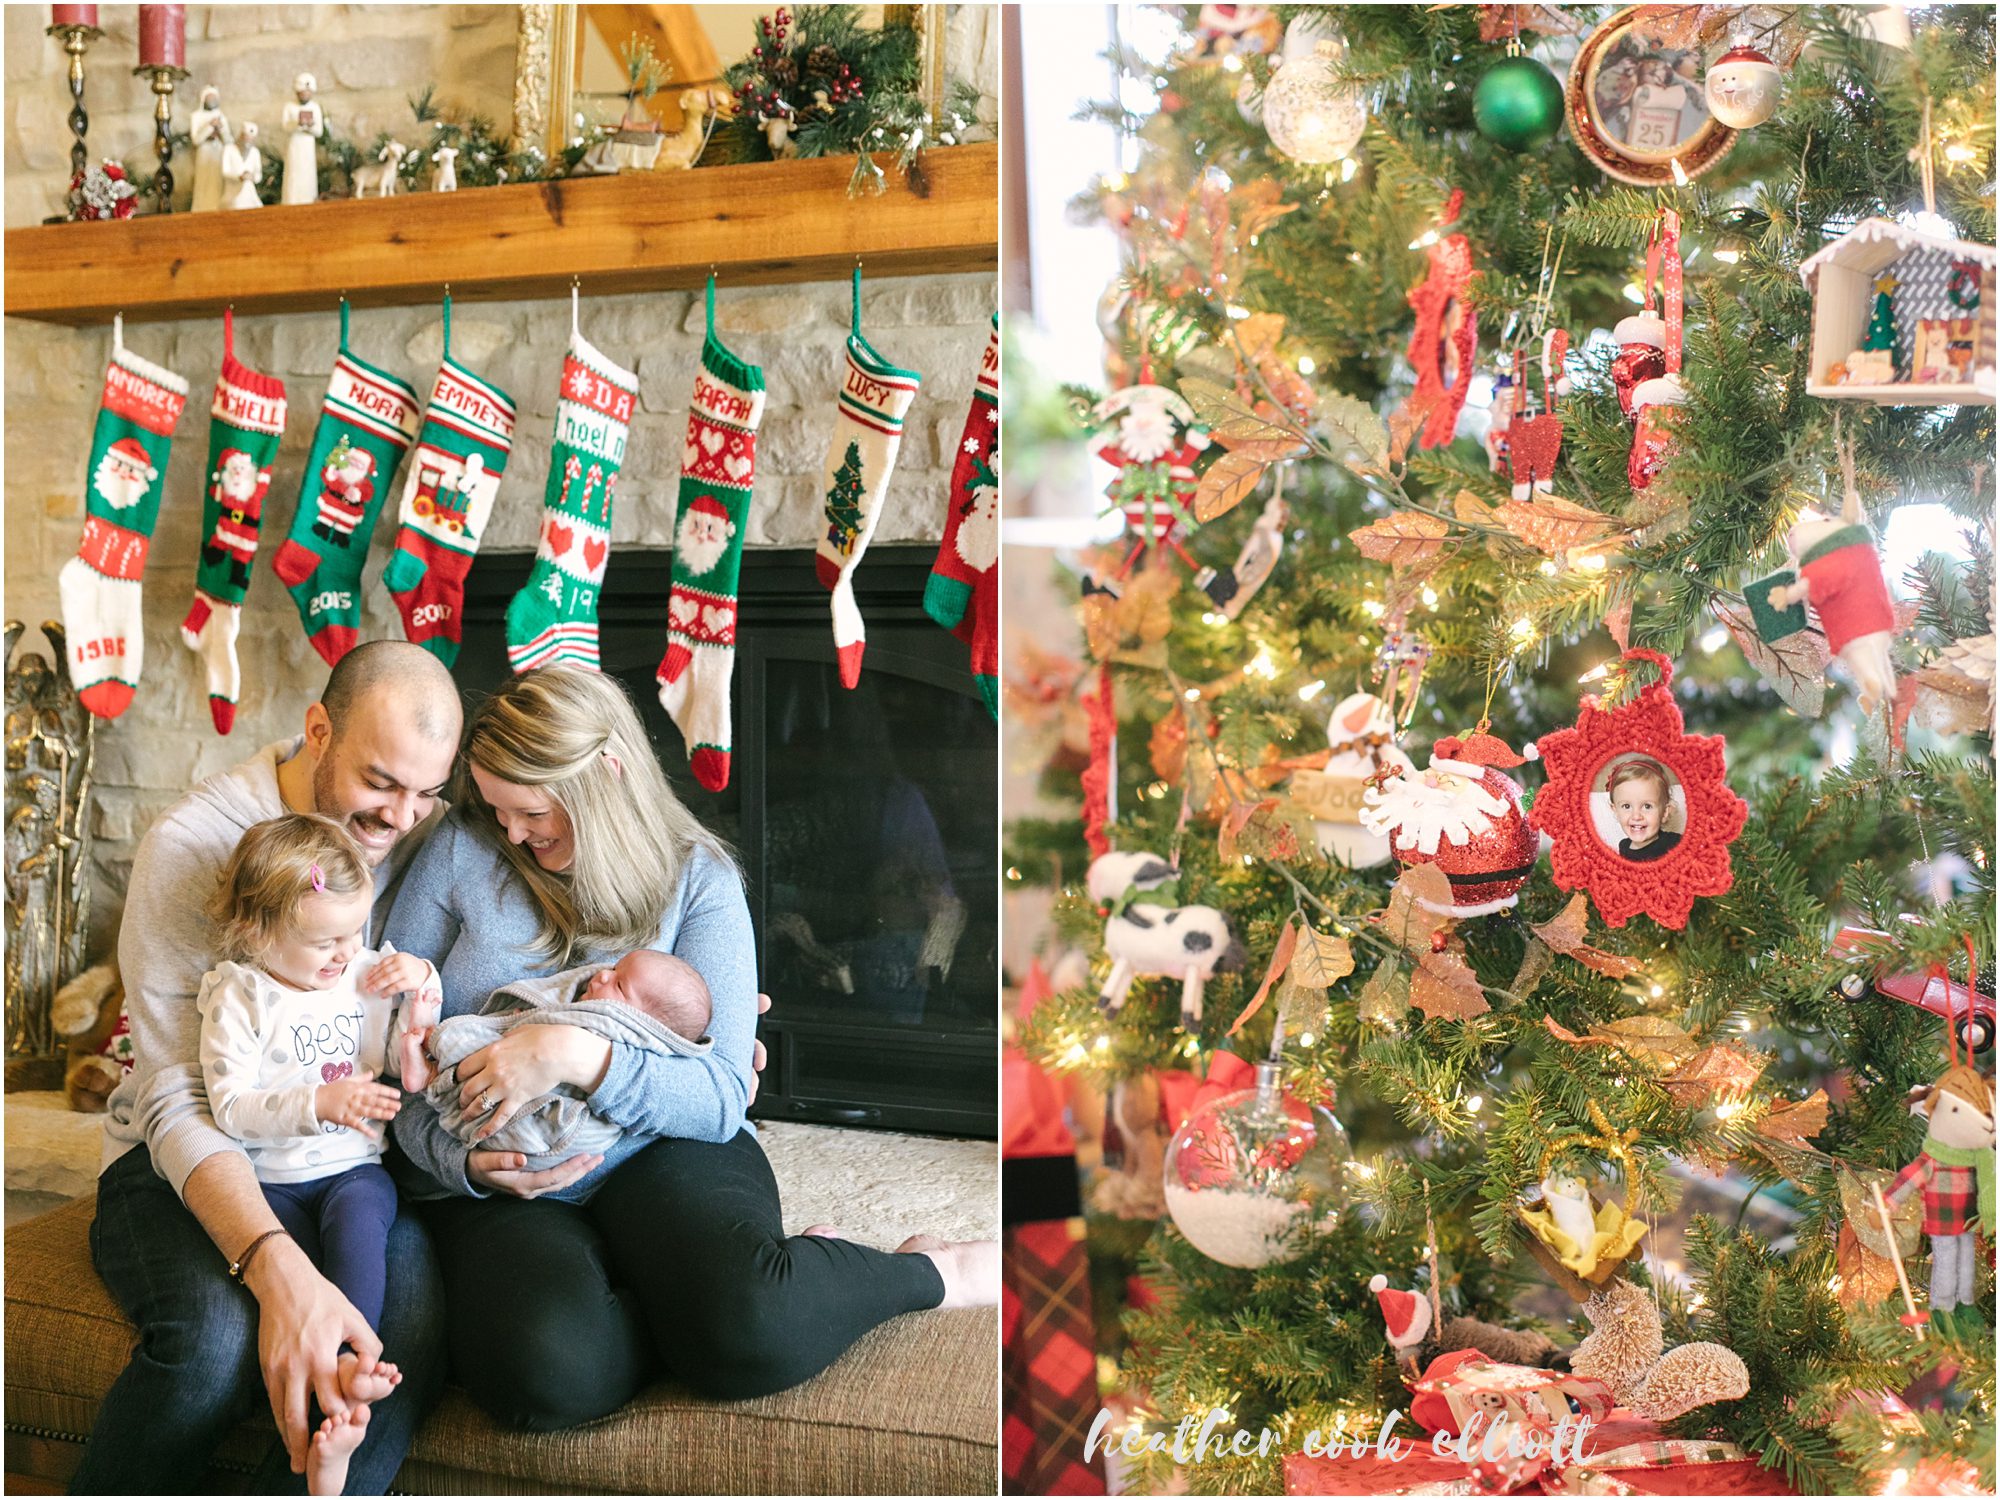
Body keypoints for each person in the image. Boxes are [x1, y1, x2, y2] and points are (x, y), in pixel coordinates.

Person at [386, 664, 997, 1427]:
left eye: (530, 810)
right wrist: (459, 1164)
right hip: (507, 1179)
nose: (509, 831)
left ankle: (927, 1269)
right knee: (542, 1373)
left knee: (751, 1328)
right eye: (495, 806)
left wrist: (574, 1057)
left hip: (663, 1150)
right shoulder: (458, 852)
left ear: (603, 775)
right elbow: (385, 1047)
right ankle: (697, 1298)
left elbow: (716, 1096)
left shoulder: (698, 877)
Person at [75, 641, 460, 1495]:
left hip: (336, 1162)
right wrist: (275, 1265)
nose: (402, 818)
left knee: (400, 1325)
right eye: (382, 784)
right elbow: (181, 1095)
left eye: (426, 793)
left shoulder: (424, 832)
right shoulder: (195, 846)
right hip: (185, 1151)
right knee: (213, 1344)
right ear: (318, 730)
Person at [198, 813, 445, 1494]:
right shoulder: (239, 995)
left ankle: (346, 1376)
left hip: (353, 1173)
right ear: (256, 930)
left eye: (354, 932)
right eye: (322, 941)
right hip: (270, 1185)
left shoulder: (361, 976)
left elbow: (422, 1024)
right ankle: (320, 1427)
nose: (344, 954)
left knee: (361, 1236)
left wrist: (421, 976)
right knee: (299, 1286)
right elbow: (230, 1108)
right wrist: (317, 1103)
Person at [404, 950, 717, 1176]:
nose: (603, 974)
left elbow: (722, 1098)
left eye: (619, 984)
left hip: (572, 1137)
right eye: (614, 968)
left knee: (465, 1041)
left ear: (644, 1021)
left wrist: (567, 1050)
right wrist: (463, 1166)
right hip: (509, 1156)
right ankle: (432, 1076)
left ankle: (431, 1053)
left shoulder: (615, 1023)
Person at [1607, 757, 1680, 862]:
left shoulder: (1675, 843)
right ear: (1616, 811)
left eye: (1647, 806)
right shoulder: (1624, 847)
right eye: (1626, 806)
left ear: (1664, 812)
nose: (1636, 816)